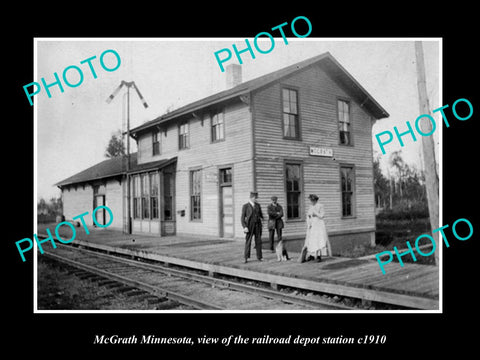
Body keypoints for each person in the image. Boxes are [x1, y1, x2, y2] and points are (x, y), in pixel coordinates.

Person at [300, 194, 330, 263]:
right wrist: (308, 223)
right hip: (312, 225)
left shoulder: (320, 206)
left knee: (318, 240)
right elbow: (308, 215)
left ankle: (319, 256)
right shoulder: (310, 206)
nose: (312, 202)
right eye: (311, 200)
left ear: (316, 200)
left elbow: (322, 215)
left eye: (313, 200)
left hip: (319, 225)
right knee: (311, 240)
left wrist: (315, 213)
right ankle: (312, 255)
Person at [240, 191, 264, 263]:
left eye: (256, 198)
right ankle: (246, 257)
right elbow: (242, 218)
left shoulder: (258, 205)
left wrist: (262, 219)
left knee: (258, 241)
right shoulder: (245, 206)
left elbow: (261, 215)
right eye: (254, 198)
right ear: (251, 198)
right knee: (248, 241)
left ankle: (259, 257)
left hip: (257, 225)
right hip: (249, 226)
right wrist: (245, 227)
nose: (255, 199)